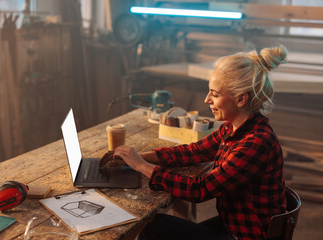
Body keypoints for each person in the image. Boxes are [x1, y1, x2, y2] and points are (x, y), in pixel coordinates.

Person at [100, 45, 288, 240]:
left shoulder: (255, 143)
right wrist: (136, 158)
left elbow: (198, 190)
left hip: (247, 235)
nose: (207, 100)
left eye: (215, 94)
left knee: (154, 228)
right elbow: (194, 152)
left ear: (241, 99)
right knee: (162, 228)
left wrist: (141, 166)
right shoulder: (235, 128)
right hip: (234, 224)